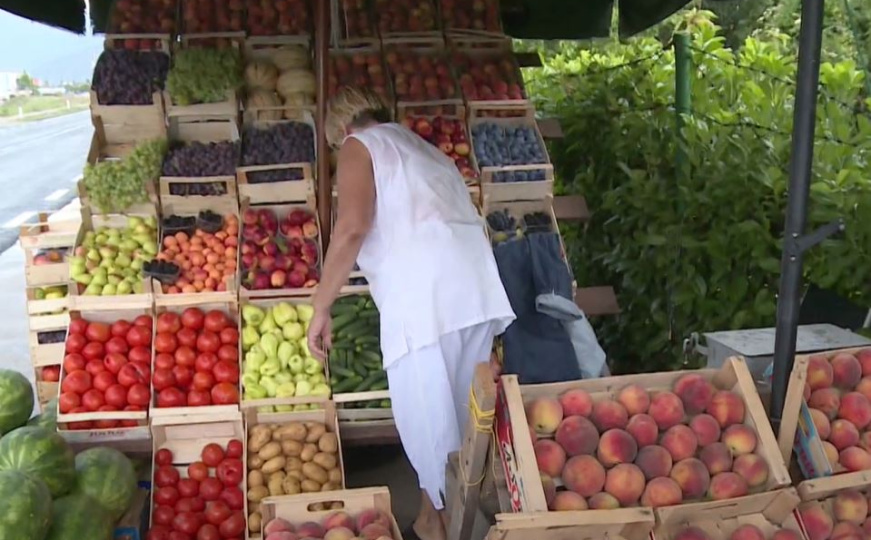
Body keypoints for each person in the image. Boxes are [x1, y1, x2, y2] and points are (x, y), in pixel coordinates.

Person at [307, 86, 516, 540]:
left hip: (425, 300)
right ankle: (431, 519)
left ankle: (444, 528)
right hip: (471, 291)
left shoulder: (358, 144)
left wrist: (321, 305)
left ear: (341, 128)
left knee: (428, 422)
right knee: (460, 418)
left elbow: (352, 227)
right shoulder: (423, 148)